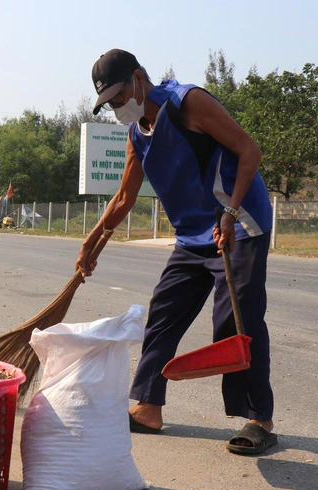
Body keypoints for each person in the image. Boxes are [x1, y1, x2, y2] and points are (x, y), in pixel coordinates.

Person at [76, 49, 276, 455]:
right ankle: (148, 407)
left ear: (137, 79)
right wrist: (93, 239)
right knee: (164, 313)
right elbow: (124, 197)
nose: (116, 107)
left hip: (239, 225)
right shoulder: (137, 131)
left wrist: (230, 212)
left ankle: (260, 419)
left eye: (118, 97)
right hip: (191, 236)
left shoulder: (189, 103)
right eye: (109, 103)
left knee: (239, 320)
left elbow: (249, 151)